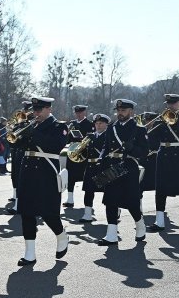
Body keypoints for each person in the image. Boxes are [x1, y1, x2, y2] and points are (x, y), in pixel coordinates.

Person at [15, 96, 71, 265]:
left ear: (49, 109)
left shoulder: (59, 126)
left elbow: (54, 145)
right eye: (34, 110)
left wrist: (34, 133)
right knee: (26, 213)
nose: (36, 113)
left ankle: (61, 235)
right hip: (27, 172)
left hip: (46, 173)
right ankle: (29, 254)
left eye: (39, 110)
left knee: (48, 212)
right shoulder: (32, 125)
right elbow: (18, 146)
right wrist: (20, 133)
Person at [95, 99, 149, 246]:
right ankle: (111, 235)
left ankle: (140, 224)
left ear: (131, 111)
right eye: (118, 110)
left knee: (131, 201)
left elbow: (144, 152)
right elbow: (106, 147)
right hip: (112, 166)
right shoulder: (111, 127)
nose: (120, 113)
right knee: (110, 200)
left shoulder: (139, 129)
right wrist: (101, 159)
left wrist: (132, 148)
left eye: (123, 110)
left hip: (128, 166)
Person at [147, 94, 179, 231]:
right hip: (163, 155)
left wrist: (176, 120)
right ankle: (160, 221)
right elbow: (152, 140)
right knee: (161, 189)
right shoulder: (161, 120)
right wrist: (149, 130)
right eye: (168, 104)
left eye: (173, 104)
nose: (170, 106)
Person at [79, 114, 110, 222]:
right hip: (90, 166)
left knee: (108, 191)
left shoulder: (109, 135)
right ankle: (87, 214)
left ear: (106, 124)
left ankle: (115, 210)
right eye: (96, 123)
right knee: (88, 191)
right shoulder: (91, 136)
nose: (98, 125)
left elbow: (104, 149)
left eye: (101, 123)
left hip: (102, 166)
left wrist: (94, 141)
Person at [64, 105, 94, 208]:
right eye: (77, 113)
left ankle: (87, 203)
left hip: (84, 153)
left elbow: (92, 139)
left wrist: (82, 137)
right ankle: (70, 199)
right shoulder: (73, 123)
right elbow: (67, 140)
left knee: (85, 176)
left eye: (80, 112)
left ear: (84, 112)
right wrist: (68, 133)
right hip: (73, 152)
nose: (78, 114)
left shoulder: (90, 124)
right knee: (70, 175)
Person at [7, 100, 34, 214]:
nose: (25, 112)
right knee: (18, 178)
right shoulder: (21, 123)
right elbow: (12, 142)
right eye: (25, 110)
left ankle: (30, 205)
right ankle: (18, 205)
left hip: (30, 156)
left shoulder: (34, 123)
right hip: (19, 154)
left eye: (27, 110)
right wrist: (14, 129)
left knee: (29, 182)